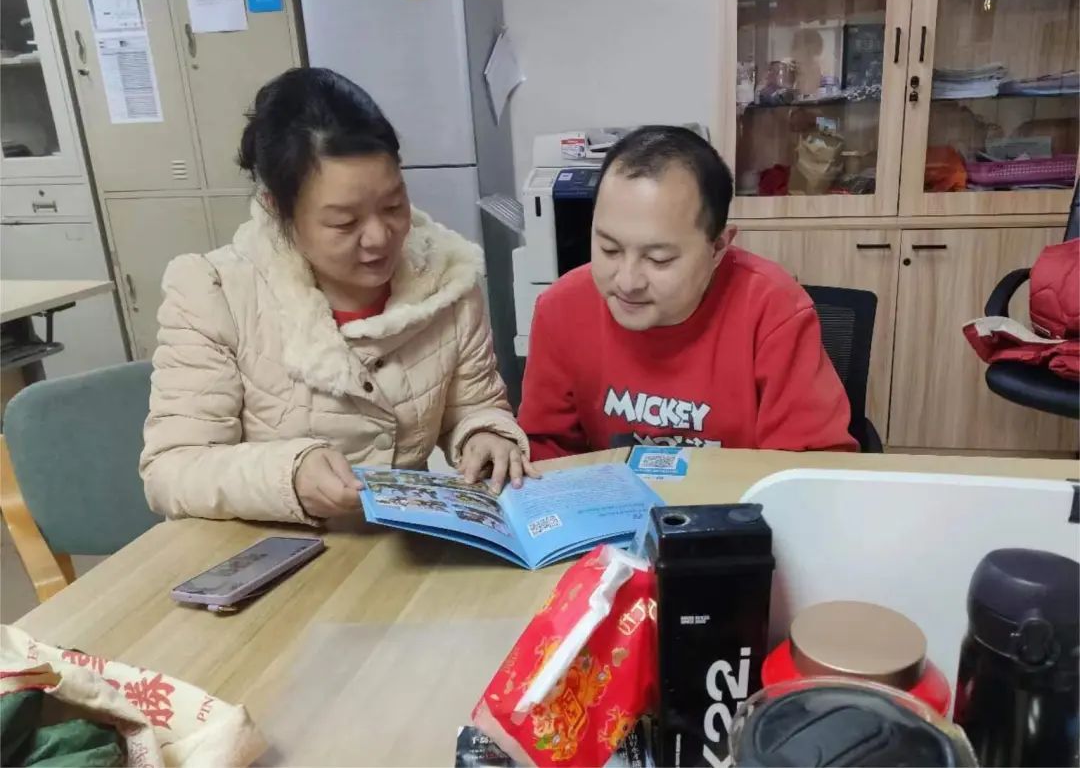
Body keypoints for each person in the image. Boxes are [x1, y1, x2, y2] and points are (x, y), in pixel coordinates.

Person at [140, 67, 535, 524]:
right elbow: (171, 469)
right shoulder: (216, 293)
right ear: (277, 208)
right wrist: (287, 475)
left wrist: (485, 434)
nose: (379, 237)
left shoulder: (447, 280)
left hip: (405, 543)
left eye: (393, 205)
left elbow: (473, 406)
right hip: (271, 548)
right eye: (344, 223)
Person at [517, 125, 856, 458]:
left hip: (736, 494)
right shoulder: (561, 309)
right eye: (610, 249)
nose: (627, 281)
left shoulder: (773, 309)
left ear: (718, 247)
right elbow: (545, 452)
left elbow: (815, 465)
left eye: (659, 259)